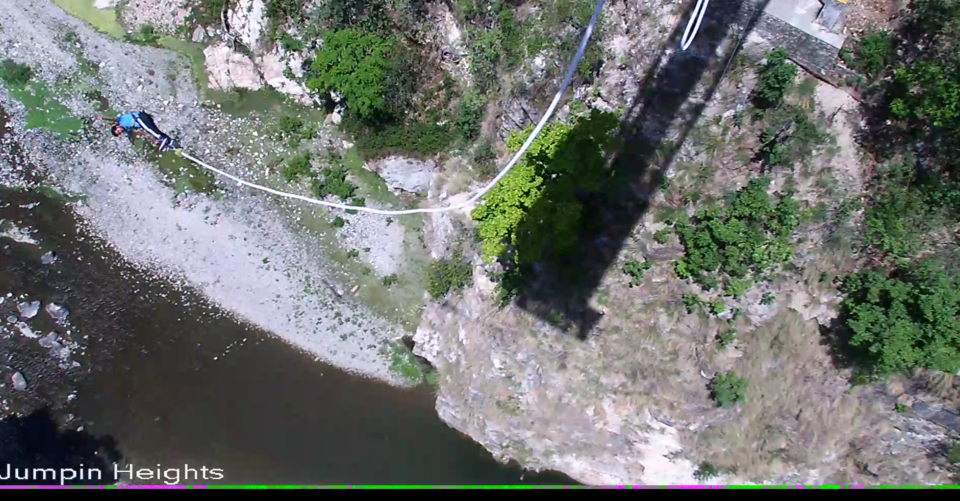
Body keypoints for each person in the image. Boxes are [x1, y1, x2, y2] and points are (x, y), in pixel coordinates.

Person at [101, 111, 178, 153]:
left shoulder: (120, 120)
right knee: (154, 131)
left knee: (149, 130)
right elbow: (131, 137)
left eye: (118, 131)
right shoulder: (127, 130)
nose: (120, 132)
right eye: (119, 133)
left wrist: (103, 118)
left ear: (117, 126)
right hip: (143, 120)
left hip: (139, 118)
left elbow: (112, 118)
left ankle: (163, 139)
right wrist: (133, 146)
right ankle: (170, 142)